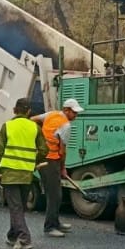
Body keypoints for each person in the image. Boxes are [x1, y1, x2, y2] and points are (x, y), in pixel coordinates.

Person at [0, 98, 47, 249]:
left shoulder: (8, 126)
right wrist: (33, 161)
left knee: (15, 207)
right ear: (28, 112)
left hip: (10, 173)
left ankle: (24, 239)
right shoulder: (35, 128)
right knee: (19, 207)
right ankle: (12, 236)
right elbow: (44, 150)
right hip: (27, 174)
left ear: (14, 110)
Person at [31, 98, 84, 237]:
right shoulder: (66, 126)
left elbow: (32, 119)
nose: (76, 116)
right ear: (66, 110)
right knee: (55, 195)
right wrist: (63, 168)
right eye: (74, 113)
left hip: (42, 158)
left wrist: (38, 135)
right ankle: (49, 227)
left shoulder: (51, 114)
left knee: (55, 193)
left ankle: (55, 222)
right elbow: (62, 150)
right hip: (51, 161)